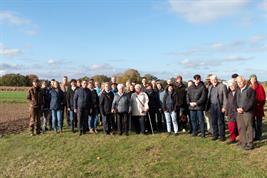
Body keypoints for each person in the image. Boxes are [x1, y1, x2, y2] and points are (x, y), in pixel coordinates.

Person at [236, 76, 256, 150]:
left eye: (240, 81)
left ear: (244, 81)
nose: (239, 83)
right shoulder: (238, 90)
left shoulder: (250, 89)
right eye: (238, 82)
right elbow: (235, 101)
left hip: (247, 112)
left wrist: (243, 109)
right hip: (239, 112)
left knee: (249, 128)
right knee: (241, 128)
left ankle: (250, 143)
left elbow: (252, 102)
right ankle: (243, 142)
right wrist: (237, 108)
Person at [206, 75, 228, 141]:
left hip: (219, 106)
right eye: (212, 80)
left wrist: (224, 107)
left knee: (220, 122)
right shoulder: (210, 87)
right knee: (213, 121)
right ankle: (215, 135)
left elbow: (225, 98)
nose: (213, 81)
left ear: (217, 79)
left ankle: (222, 136)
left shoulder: (222, 86)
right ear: (210, 81)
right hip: (212, 106)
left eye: (214, 79)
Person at [249, 74, 266, 140]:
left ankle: (258, 136)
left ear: (256, 79)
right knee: (252, 122)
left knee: (259, 123)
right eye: (252, 79)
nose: (253, 80)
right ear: (250, 80)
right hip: (251, 108)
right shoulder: (248, 87)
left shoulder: (260, 86)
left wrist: (260, 104)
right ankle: (252, 136)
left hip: (258, 107)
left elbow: (263, 98)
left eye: (254, 79)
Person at [225, 79, 238, 144]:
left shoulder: (238, 92)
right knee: (231, 126)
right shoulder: (229, 93)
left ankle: (239, 137)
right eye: (230, 86)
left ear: (235, 85)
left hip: (237, 112)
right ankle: (232, 138)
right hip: (230, 112)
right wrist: (226, 112)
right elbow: (227, 103)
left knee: (238, 126)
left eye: (232, 85)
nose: (231, 87)